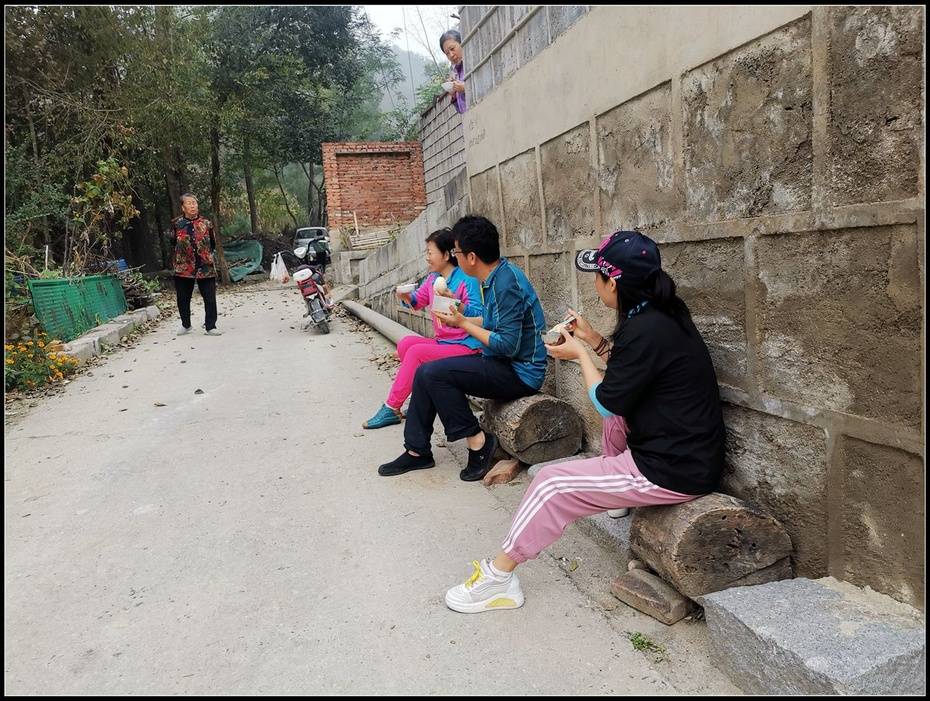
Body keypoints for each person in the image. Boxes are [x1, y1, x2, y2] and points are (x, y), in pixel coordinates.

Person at [443, 231, 727, 613]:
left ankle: (499, 578)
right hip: (682, 449)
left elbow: (607, 402)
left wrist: (579, 354)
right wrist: (594, 341)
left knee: (550, 484)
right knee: (615, 421)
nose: (595, 286)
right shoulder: (660, 314)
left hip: (673, 468)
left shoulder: (646, 330)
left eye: (598, 277)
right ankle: (616, 497)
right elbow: (632, 375)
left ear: (614, 282)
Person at [377, 215, 547, 482]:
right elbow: (491, 323)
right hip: (501, 362)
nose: (454, 256)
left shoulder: (505, 284)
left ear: (471, 257)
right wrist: (460, 311)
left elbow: (508, 345)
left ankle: (478, 441)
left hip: (520, 372)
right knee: (426, 371)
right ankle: (416, 450)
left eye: (456, 251)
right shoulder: (496, 276)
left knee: (434, 373)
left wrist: (461, 324)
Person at [363, 228, 483, 429]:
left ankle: (392, 407)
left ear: (446, 255)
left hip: (466, 344)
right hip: (444, 341)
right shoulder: (432, 279)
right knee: (406, 344)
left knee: (417, 352)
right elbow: (418, 302)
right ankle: (424, 398)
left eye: (430, 252)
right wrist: (406, 297)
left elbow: (479, 313)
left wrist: (456, 302)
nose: (427, 257)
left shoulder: (466, 279)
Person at [172, 193, 222, 336]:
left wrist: (206, 256)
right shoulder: (177, 224)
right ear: (183, 207)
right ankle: (186, 325)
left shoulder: (206, 223)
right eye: (189, 203)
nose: (193, 205)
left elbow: (212, 243)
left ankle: (211, 326)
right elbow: (173, 243)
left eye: (194, 203)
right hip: (184, 267)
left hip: (204, 266)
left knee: (210, 297)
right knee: (182, 298)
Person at [440, 29, 467, 114]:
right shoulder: (456, 73)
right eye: (447, 53)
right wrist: (454, 96)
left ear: (461, 43)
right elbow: (461, 111)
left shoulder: (472, 63)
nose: (451, 55)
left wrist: (465, 88)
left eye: (452, 49)